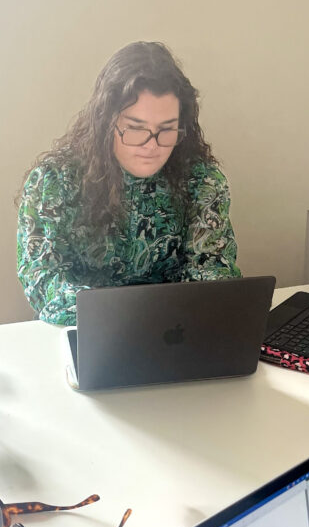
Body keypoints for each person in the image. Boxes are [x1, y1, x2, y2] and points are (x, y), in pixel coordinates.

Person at [16, 41, 241, 325]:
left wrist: (163, 317)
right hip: (85, 328)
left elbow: (214, 270)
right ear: (106, 123)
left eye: (167, 129)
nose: (152, 145)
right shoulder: (53, 183)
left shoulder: (202, 181)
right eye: (135, 128)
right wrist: (125, 315)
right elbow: (41, 278)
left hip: (177, 329)